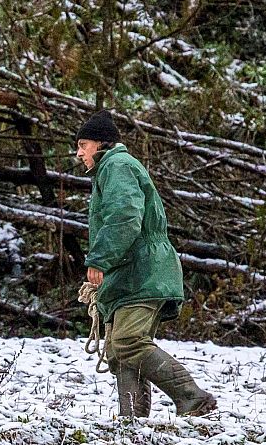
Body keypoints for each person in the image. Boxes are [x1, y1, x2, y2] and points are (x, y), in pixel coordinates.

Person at [77, 110, 216, 417]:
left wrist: (99, 259)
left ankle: (192, 397)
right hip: (130, 274)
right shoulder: (112, 168)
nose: (78, 153)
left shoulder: (117, 166)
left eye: (83, 145)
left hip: (143, 272)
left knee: (128, 340)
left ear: (100, 144)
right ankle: (132, 420)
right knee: (118, 352)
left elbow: (126, 216)